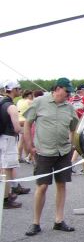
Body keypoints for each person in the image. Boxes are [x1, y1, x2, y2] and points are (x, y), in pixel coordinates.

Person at [23, 77, 79, 236]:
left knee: (62, 184)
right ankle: (35, 223)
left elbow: (75, 127)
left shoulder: (69, 107)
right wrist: (29, 147)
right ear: (58, 88)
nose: (68, 95)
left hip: (63, 152)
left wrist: (73, 143)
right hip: (44, 152)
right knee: (42, 186)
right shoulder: (40, 102)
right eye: (67, 91)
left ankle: (59, 220)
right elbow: (27, 124)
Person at [1, 80, 30, 208]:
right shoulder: (11, 106)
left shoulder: (2, 103)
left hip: (2, 137)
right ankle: (6, 198)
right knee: (7, 168)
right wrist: (26, 130)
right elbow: (17, 128)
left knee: (4, 167)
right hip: (9, 138)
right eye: (18, 88)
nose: (20, 90)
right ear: (13, 90)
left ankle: (8, 193)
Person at [16, 89, 34, 162]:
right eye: (31, 95)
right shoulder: (29, 101)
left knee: (22, 141)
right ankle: (22, 157)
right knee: (25, 140)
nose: (32, 96)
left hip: (19, 120)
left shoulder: (19, 101)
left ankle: (23, 156)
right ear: (28, 95)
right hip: (25, 121)